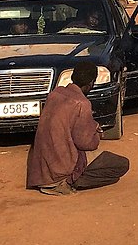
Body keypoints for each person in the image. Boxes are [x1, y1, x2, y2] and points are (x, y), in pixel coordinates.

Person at [25, 61, 129, 195]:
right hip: (61, 168)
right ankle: (68, 181)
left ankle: (59, 180)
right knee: (122, 164)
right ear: (91, 83)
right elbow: (86, 143)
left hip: (41, 168)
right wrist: (96, 133)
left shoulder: (55, 94)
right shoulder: (82, 103)